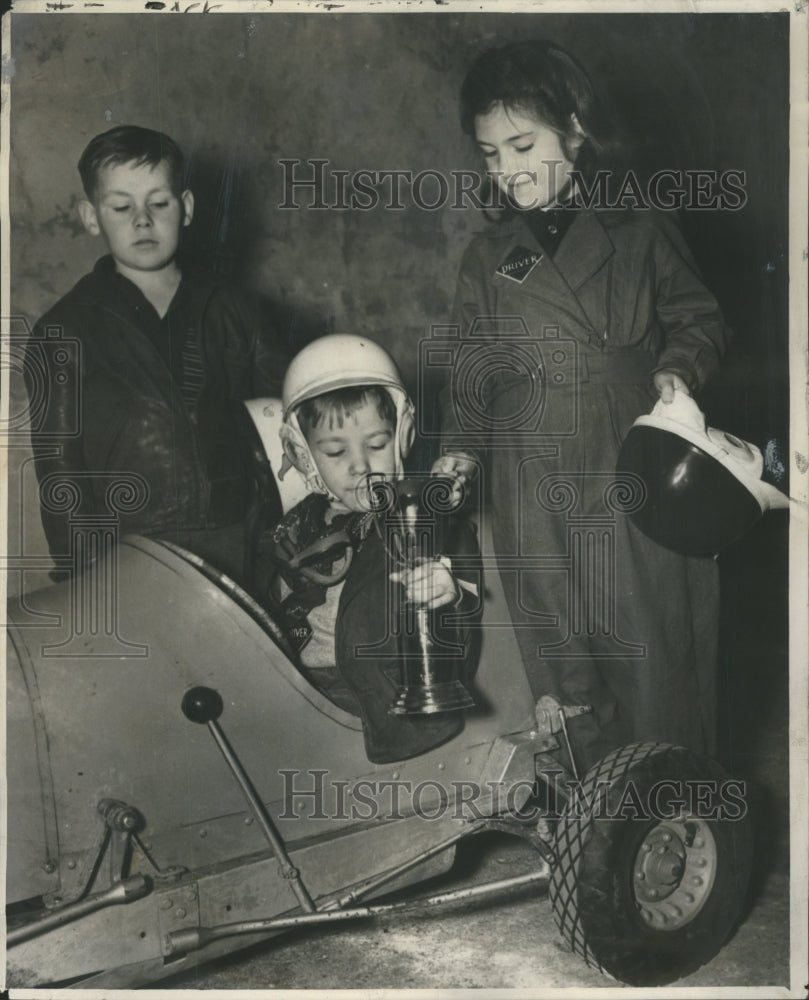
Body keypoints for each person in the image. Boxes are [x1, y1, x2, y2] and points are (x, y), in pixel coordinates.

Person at [433, 40, 732, 773]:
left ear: (574, 129)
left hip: (626, 450)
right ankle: (587, 822)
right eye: (489, 153)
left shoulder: (639, 228)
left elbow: (701, 318)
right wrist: (459, 448)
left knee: (649, 638)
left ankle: (673, 807)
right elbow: (472, 365)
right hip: (526, 468)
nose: (506, 170)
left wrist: (674, 371)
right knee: (558, 646)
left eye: (522, 144)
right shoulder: (487, 257)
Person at [26, 125, 286, 587]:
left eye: (158, 203)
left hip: (237, 542)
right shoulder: (63, 329)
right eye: (122, 206)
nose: (142, 220)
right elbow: (59, 471)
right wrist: (81, 578)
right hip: (128, 553)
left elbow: (286, 425)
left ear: (186, 208)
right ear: (91, 217)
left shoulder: (235, 310)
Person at [257, 334, 479, 764]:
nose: (360, 465)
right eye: (335, 451)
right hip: (297, 701)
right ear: (302, 455)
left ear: (403, 436)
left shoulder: (424, 523)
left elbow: (462, 618)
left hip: (375, 711)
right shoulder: (297, 526)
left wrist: (446, 596)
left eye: (377, 445)